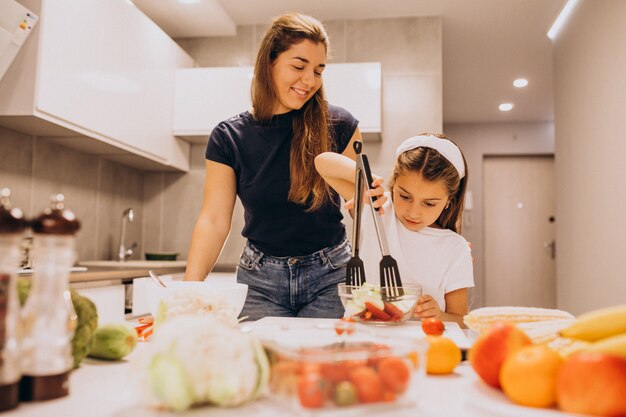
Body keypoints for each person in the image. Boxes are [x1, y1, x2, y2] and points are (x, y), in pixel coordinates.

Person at [183, 12, 385, 321]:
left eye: (318, 70)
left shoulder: (341, 125)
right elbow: (213, 220)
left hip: (332, 276)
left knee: (326, 367)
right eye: (299, 66)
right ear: (270, 63)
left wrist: (374, 203)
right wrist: (189, 292)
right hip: (260, 280)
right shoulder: (229, 137)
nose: (310, 81)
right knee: (263, 366)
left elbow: (360, 210)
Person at [315, 134, 474, 326]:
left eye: (429, 203)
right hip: (362, 334)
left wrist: (440, 315)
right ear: (394, 183)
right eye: (405, 196)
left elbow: (462, 320)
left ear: (449, 200)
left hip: (419, 344)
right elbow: (321, 162)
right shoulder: (377, 210)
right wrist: (367, 180)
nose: (414, 212)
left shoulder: (455, 248)